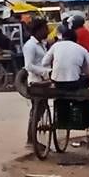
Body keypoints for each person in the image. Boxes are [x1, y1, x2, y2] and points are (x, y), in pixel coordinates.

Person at [21, 18, 53, 156]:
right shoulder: (30, 46)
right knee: (36, 110)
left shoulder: (41, 45)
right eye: (45, 28)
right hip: (35, 81)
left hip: (43, 80)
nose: (47, 31)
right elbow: (28, 66)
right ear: (38, 30)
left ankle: (32, 138)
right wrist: (45, 72)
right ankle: (30, 139)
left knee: (40, 109)